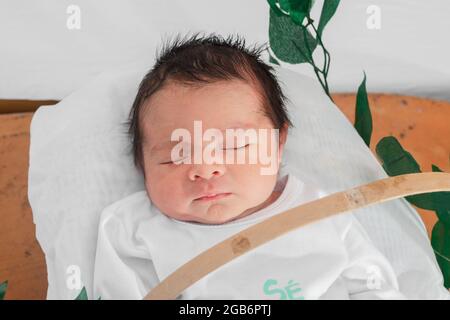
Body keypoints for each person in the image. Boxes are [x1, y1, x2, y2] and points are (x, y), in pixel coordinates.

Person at [93, 34, 405, 300]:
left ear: (278, 143)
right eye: (175, 155)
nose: (205, 168)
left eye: (234, 146)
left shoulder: (321, 211)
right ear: (141, 163)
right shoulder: (133, 229)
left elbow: (373, 285)